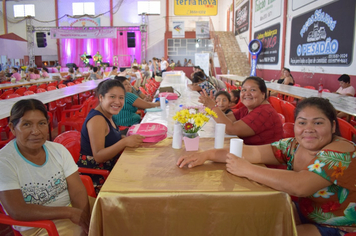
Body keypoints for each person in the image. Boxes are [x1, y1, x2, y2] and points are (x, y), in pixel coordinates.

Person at [177, 97, 356, 236]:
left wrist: (246, 169)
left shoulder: (341, 152)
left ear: (333, 126)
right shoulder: (292, 145)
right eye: (302, 123)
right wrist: (207, 155)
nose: (308, 129)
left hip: (337, 227)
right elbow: (252, 153)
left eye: (318, 123)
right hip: (303, 212)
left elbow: (300, 185)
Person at [0, 99, 90, 235]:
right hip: (38, 225)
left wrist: (85, 217)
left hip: (72, 210)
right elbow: (17, 210)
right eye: (26, 124)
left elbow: (77, 190)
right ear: (12, 128)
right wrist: (69, 213)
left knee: (112, 213)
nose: (36, 131)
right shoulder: (5, 161)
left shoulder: (58, 150)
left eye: (41, 123)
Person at [77, 80, 145, 193]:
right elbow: (98, 156)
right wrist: (124, 142)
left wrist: (127, 140)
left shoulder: (108, 114)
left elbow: (111, 138)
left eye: (121, 98)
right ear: (101, 97)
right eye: (112, 97)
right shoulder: (97, 119)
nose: (117, 102)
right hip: (98, 176)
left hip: (110, 166)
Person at [199, 76, 283, 145]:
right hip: (250, 156)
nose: (247, 93)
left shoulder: (264, 112)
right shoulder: (248, 109)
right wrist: (211, 108)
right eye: (243, 90)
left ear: (263, 94)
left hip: (264, 164)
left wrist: (213, 107)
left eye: (252, 90)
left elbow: (230, 128)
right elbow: (226, 118)